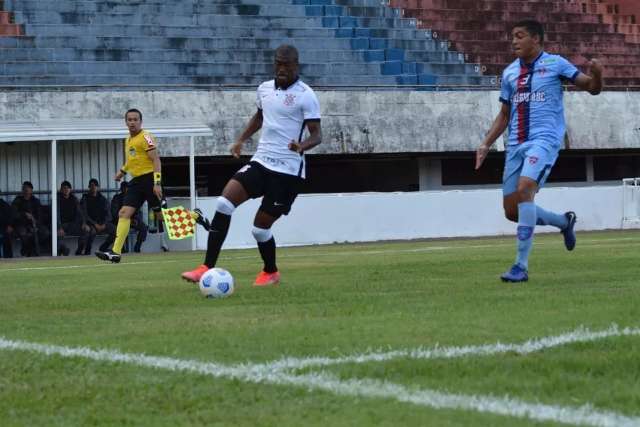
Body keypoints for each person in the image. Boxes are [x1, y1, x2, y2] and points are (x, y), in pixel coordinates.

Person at [181, 44, 322, 286]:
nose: (281, 68)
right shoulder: (264, 89)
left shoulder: (306, 95)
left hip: (287, 172)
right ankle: (206, 267)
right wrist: (240, 140)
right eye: (277, 63)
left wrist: (302, 146)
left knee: (259, 229)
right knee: (224, 202)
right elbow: (259, 116)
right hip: (261, 161)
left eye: (286, 64)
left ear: (296, 65)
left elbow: (317, 135)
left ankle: (270, 272)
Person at [475, 19, 603, 283]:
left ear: (536, 39)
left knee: (525, 190)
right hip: (515, 145)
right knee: (512, 211)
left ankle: (520, 267)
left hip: (544, 140)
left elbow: (591, 87)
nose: (514, 41)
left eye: (519, 36)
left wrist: (597, 75)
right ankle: (564, 222)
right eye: (512, 36)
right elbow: (504, 114)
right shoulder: (510, 73)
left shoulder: (556, 64)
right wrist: (486, 143)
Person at [95, 108, 163, 263]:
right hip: (136, 182)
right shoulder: (128, 139)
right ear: (126, 122)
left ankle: (194, 216)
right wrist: (122, 171)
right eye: (129, 120)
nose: (132, 122)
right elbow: (132, 160)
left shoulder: (146, 137)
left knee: (161, 217)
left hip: (149, 180)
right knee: (123, 213)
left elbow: (156, 160)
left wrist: (157, 183)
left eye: (135, 119)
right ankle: (115, 252)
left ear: (140, 121)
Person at [100, 180, 148, 253]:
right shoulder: (117, 198)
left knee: (143, 227)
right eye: (124, 188)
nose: (126, 190)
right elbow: (115, 213)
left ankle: (137, 247)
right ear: (121, 189)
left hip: (131, 220)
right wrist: (126, 219)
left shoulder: (132, 198)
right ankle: (118, 249)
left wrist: (135, 219)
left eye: (127, 188)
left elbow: (137, 211)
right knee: (119, 230)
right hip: (118, 221)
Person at [12, 181, 49, 257]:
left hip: (34, 224)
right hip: (21, 224)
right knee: (23, 233)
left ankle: (33, 250)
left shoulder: (35, 201)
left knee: (45, 232)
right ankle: (27, 252)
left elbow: (40, 216)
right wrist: (24, 214)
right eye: (24, 188)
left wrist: (35, 223)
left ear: (31, 190)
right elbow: (13, 214)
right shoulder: (18, 200)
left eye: (27, 189)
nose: (25, 190)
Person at [80, 178, 115, 255]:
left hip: (103, 224)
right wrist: (95, 224)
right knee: (90, 232)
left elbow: (108, 214)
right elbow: (84, 214)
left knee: (115, 230)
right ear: (89, 187)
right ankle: (87, 251)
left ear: (98, 187)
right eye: (91, 186)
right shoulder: (85, 198)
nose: (93, 187)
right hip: (91, 223)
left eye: (95, 186)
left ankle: (103, 248)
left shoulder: (103, 199)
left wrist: (104, 224)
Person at [57, 180, 92, 256]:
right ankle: (62, 250)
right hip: (61, 225)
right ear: (61, 190)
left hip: (72, 224)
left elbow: (80, 212)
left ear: (70, 189)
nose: (66, 190)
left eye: (67, 188)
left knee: (86, 230)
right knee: (55, 235)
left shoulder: (74, 199)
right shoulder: (57, 199)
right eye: (64, 188)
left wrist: (84, 223)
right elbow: (56, 214)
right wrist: (59, 227)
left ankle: (79, 251)